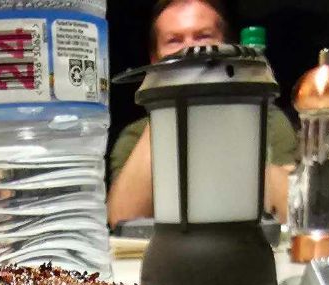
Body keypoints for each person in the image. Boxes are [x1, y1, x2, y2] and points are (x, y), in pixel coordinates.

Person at [106, 0, 297, 227]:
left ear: (227, 47)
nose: (190, 51)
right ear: (155, 59)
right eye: (174, 40)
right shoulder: (135, 135)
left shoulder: (269, 120)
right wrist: (165, 101)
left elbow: (290, 212)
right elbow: (122, 218)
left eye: (203, 37)